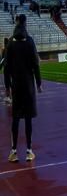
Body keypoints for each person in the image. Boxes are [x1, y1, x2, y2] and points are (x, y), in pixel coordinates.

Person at [5, 16, 41, 163]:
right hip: (28, 85)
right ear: (25, 23)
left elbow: (6, 67)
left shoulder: (10, 42)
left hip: (16, 85)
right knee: (28, 118)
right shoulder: (30, 41)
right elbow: (35, 64)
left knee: (15, 118)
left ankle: (13, 151)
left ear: (16, 23)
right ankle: (29, 151)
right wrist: (39, 83)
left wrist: (7, 87)